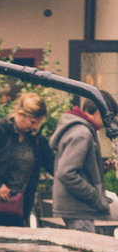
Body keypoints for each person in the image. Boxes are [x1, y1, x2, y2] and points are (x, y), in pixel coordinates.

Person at [0, 91, 54, 226]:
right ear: (20, 115)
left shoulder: (36, 139)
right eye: (32, 122)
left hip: (18, 205)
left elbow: (53, 165)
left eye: (38, 123)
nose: (35, 127)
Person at [49, 94, 114, 232]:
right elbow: (67, 173)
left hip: (75, 207)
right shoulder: (82, 134)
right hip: (79, 209)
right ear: (98, 111)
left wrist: (101, 167)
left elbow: (78, 168)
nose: (110, 122)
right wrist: (95, 196)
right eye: (109, 116)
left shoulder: (78, 129)